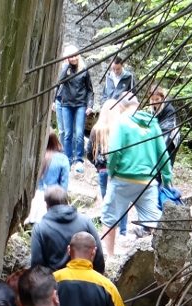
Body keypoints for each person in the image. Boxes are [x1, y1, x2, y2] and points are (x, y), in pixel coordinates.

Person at [102, 93, 171, 256]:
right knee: (154, 221)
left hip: (123, 179)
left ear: (121, 106)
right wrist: (167, 178)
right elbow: (163, 153)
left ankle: (110, 257)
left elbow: (114, 151)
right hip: (147, 182)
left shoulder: (121, 122)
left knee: (109, 218)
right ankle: (163, 256)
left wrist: (111, 172)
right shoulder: (152, 123)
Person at [31, 186, 106, 274]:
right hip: (84, 279)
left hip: (55, 284)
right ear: (67, 201)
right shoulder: (85, 222)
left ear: (46, 205)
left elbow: (36, 266)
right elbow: (99, 257)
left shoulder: (40, 228)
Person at [86, 101, 126, 236]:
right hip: (119, 170)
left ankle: (109, 229)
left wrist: (96, 164)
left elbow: (89, 151)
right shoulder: (120, 128)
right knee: (120, 199)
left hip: (102, 170)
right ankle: (123, 230)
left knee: (107, 200)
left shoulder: (97, 129)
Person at [55, 45, 94, 173]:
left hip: (80, 105)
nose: (73, 58)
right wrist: (66, 64)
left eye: (74, 55)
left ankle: (78, 160)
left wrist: (90, 105)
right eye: (70, 56)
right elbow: (59, 81)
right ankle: (67, 159)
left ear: (78, 55)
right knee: (67, 134)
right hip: (66, 105)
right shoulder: (66, 70)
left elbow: (90, 90)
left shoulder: (84, 70)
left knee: (79, 134)